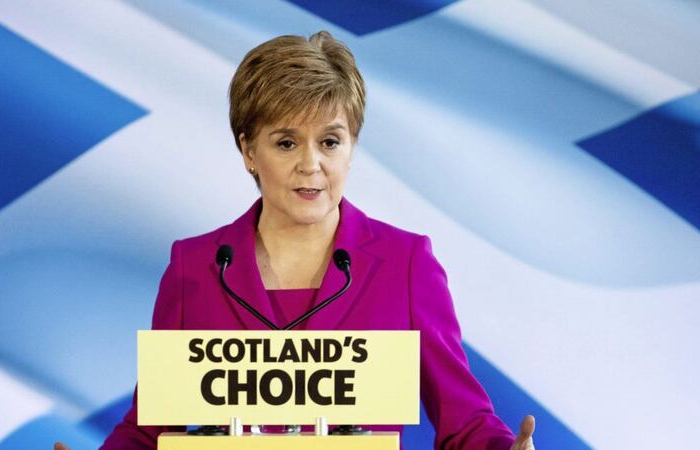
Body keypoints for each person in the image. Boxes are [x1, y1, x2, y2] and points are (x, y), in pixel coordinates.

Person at [56, 30, 535, 450]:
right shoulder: (195, 266)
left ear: (351, 146)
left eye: (330, 141)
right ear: (248, 150)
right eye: (286, 143)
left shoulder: (405, 263)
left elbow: (464, 423)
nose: (311, 165)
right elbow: (150, 430)